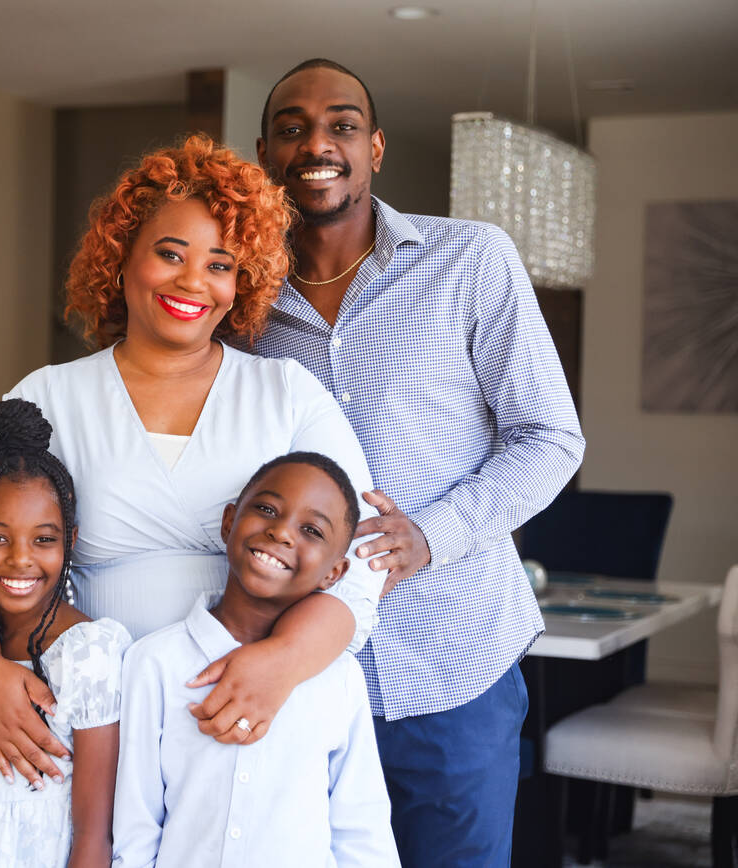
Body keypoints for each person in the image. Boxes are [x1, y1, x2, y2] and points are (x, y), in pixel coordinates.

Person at [0, 135, 387, 793]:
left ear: (241, 282)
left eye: (220, 264)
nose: (194, 281)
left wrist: (280, 664)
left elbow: (362, 555)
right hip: (84, 726)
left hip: (245, 718)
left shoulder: (287, 396)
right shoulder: (50, 396)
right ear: (121, 258)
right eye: (170, 253)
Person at [253, 60, 586, 866]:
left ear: (375, 148)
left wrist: (429, 535)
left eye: (340, 124)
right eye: (292, 127)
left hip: (451, 665)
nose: (317, 143)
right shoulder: (241, 302)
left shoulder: (471, 260)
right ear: (266, 154)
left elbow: (551, 437)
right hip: (300, 674)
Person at [112, 452, 400, 867]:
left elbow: (362, 828)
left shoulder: (340, 678)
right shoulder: (153, 663)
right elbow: (136, 831)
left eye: (311, 530)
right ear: (229, 522)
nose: (281, 532)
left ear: (334, 574)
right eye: (266, 509)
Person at [0, 398, 130, 868]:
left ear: (70, 541)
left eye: (44, 539)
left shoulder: (86, 651)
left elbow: (95, 835)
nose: (20, 559)